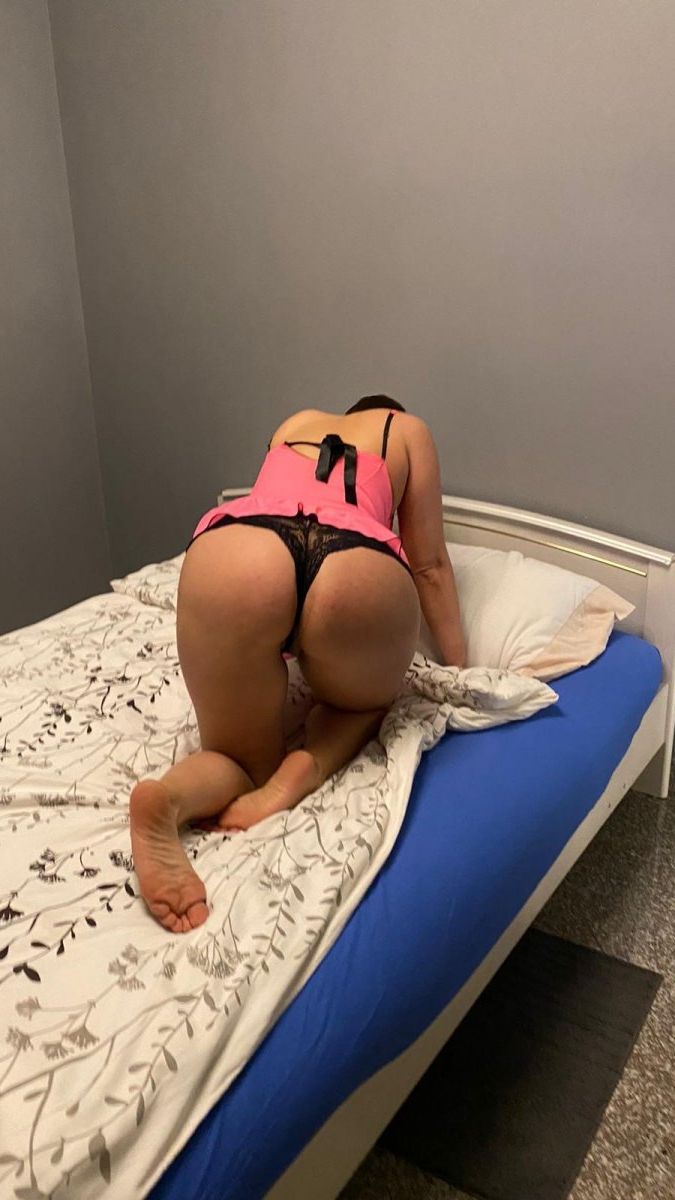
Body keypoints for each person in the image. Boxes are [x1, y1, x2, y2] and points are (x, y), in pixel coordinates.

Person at [129, 396, 467, 932]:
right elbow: (429, 566)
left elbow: (276, 506)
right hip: (355, 558)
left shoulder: (295, 421)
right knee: (365, 705)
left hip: (242, 547)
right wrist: (459, 668)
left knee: (235, 756)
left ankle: (168, 799)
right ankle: (308, 766)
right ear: (388, 411)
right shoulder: (405, 429)